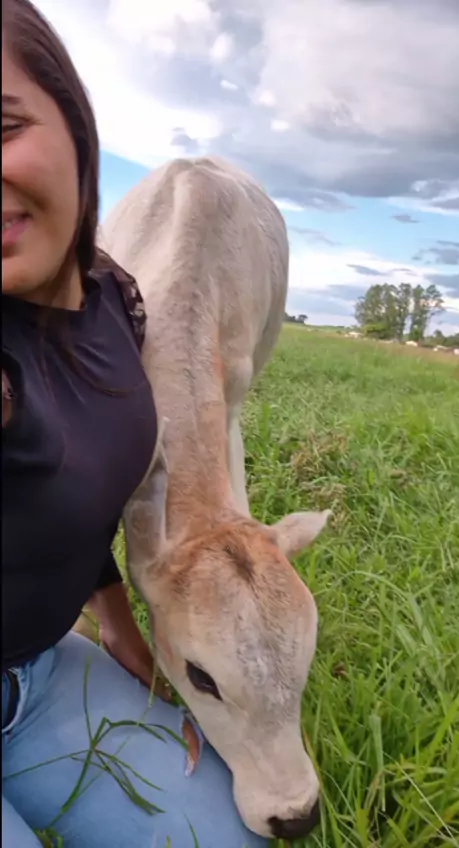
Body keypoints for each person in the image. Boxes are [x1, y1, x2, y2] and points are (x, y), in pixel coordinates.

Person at [1, 2, 268, 846]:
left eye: (2, 127)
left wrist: (116, 618)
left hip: (39, 676)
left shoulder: (118, 300)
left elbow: (82, 482)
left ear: (77, 127)